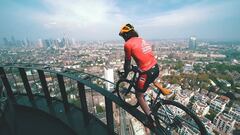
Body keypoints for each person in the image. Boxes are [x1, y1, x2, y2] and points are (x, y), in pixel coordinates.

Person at [119, 24, 159, 126]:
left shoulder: (128, 44)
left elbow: (127, 64)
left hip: (147, 72)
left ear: (126, 35)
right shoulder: (141, 39)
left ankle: (151, 120)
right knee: (146, 82)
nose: (123, 38)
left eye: (123, 36)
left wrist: (125, 75)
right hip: (155, 67)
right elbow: (143, 55)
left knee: (139, 95)